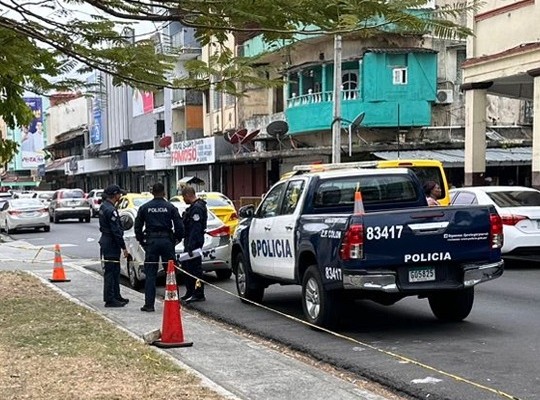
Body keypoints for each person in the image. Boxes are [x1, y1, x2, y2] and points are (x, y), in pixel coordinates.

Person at [135, 182, 184, 312]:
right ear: (164, 192)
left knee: (150, 273)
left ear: (152, 192)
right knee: (171, 273)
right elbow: (179, 226)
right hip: (167, 241)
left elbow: (137, 227)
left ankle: (149, 305)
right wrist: (176, 239)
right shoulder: (170, 207)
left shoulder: (145, 207)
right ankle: (174, 303)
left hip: (151, 241)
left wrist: (142, 241)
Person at [99, 184, 130, 308]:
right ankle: (110, 299)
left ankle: (116, 295)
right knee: (111, 271)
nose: (120, 196)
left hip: (107, 241)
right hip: (111, 242)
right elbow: (116, 231)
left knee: (115, 270)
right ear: (115, 195)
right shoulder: (110, 210)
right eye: (119, 194)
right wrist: (123, 247)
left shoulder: (105, 206)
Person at [180, 185, 208, 304]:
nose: (183, 199)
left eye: (183, 197)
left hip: (194, 243)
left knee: (195, 269)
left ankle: (198, 293)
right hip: (189, 241)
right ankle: (190, 291)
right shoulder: (192, 207)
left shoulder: (197, 208)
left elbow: (196, 229)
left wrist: (191, 245)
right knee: (187, 268)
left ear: (188, 195)